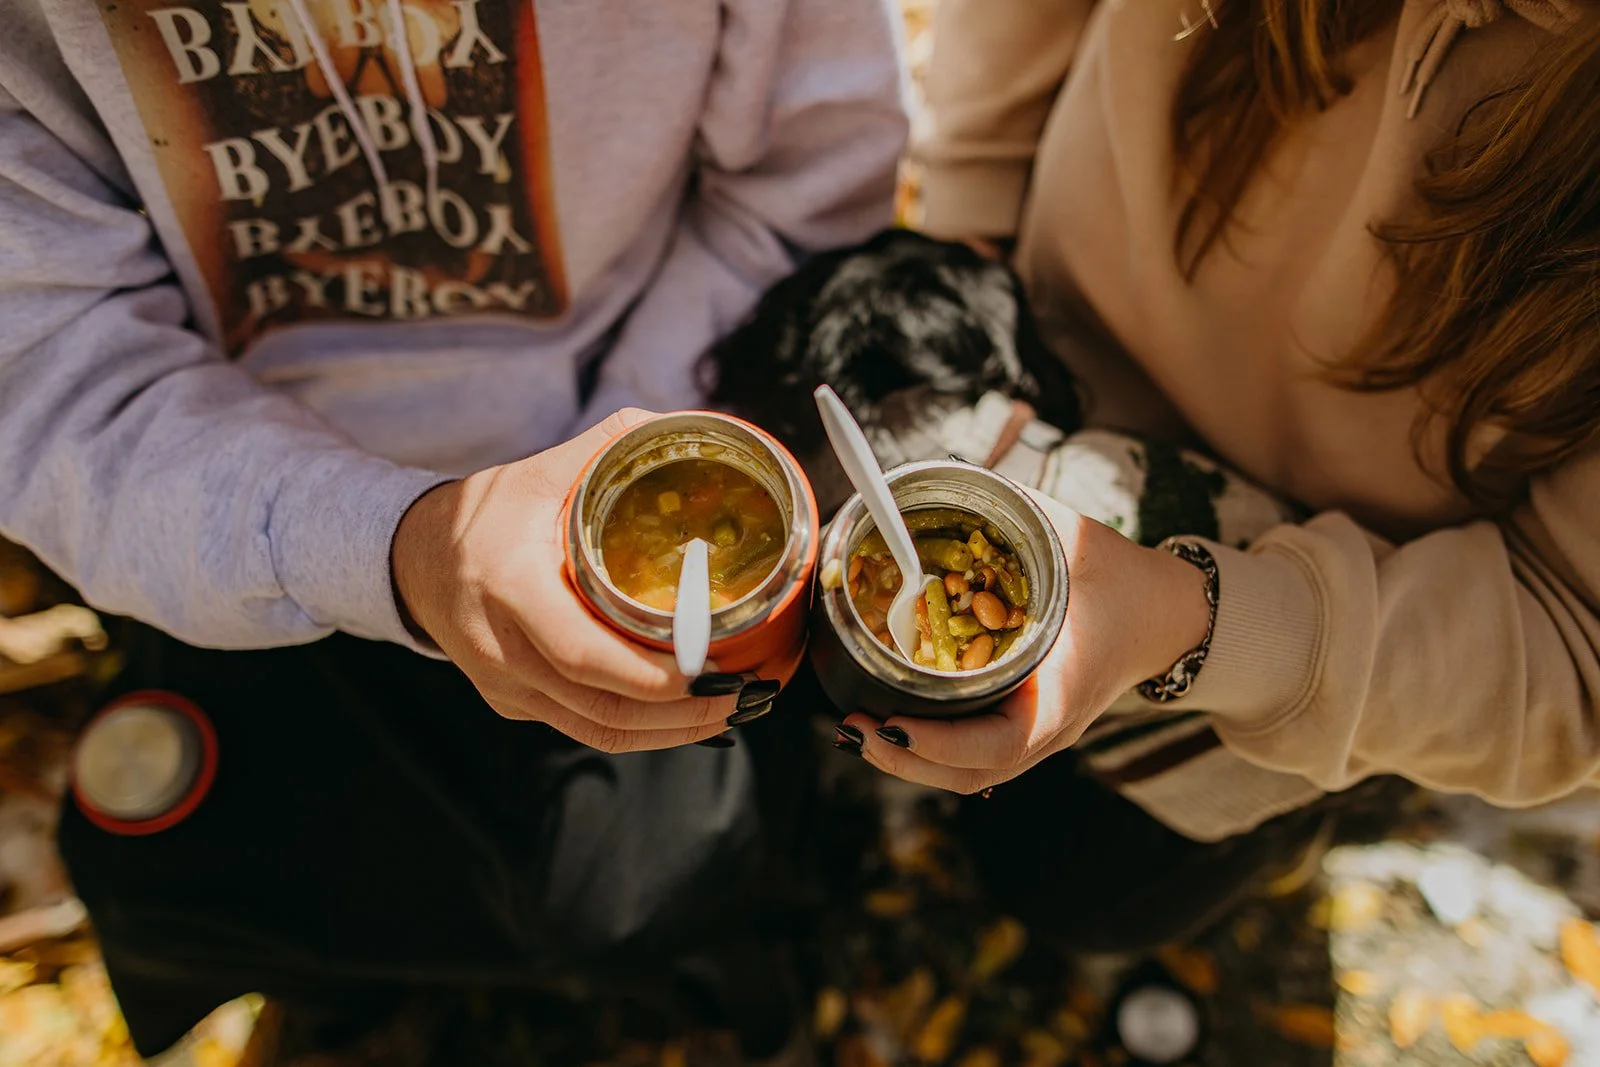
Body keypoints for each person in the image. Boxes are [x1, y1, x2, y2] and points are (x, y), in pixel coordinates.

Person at [0, 0, 906, 1057]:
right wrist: (382, 541)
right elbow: (50, 359)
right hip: (227, 504)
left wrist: (608, 462)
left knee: (644, 879)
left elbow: (801, 193)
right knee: (187, 869)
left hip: (628, 425)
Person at [832, 0, 1600, 946]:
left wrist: (1192, 626)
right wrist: (972, 215)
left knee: (1079, 883)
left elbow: (1577, 645)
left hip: (1341, 593)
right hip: (1051, 329)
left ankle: (1323, 793)